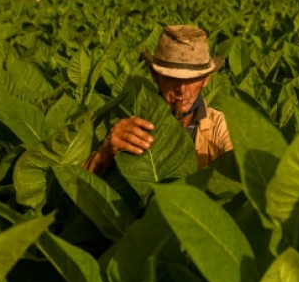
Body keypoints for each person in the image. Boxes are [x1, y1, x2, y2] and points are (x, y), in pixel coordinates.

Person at [84, 25, 233, 173]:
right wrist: (107, 153)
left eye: (192, 79)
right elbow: (80, 179)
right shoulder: (134, 127)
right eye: (172, 77)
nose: (181, 90)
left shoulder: (220, 127)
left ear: (206, 79)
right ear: (154, 75)